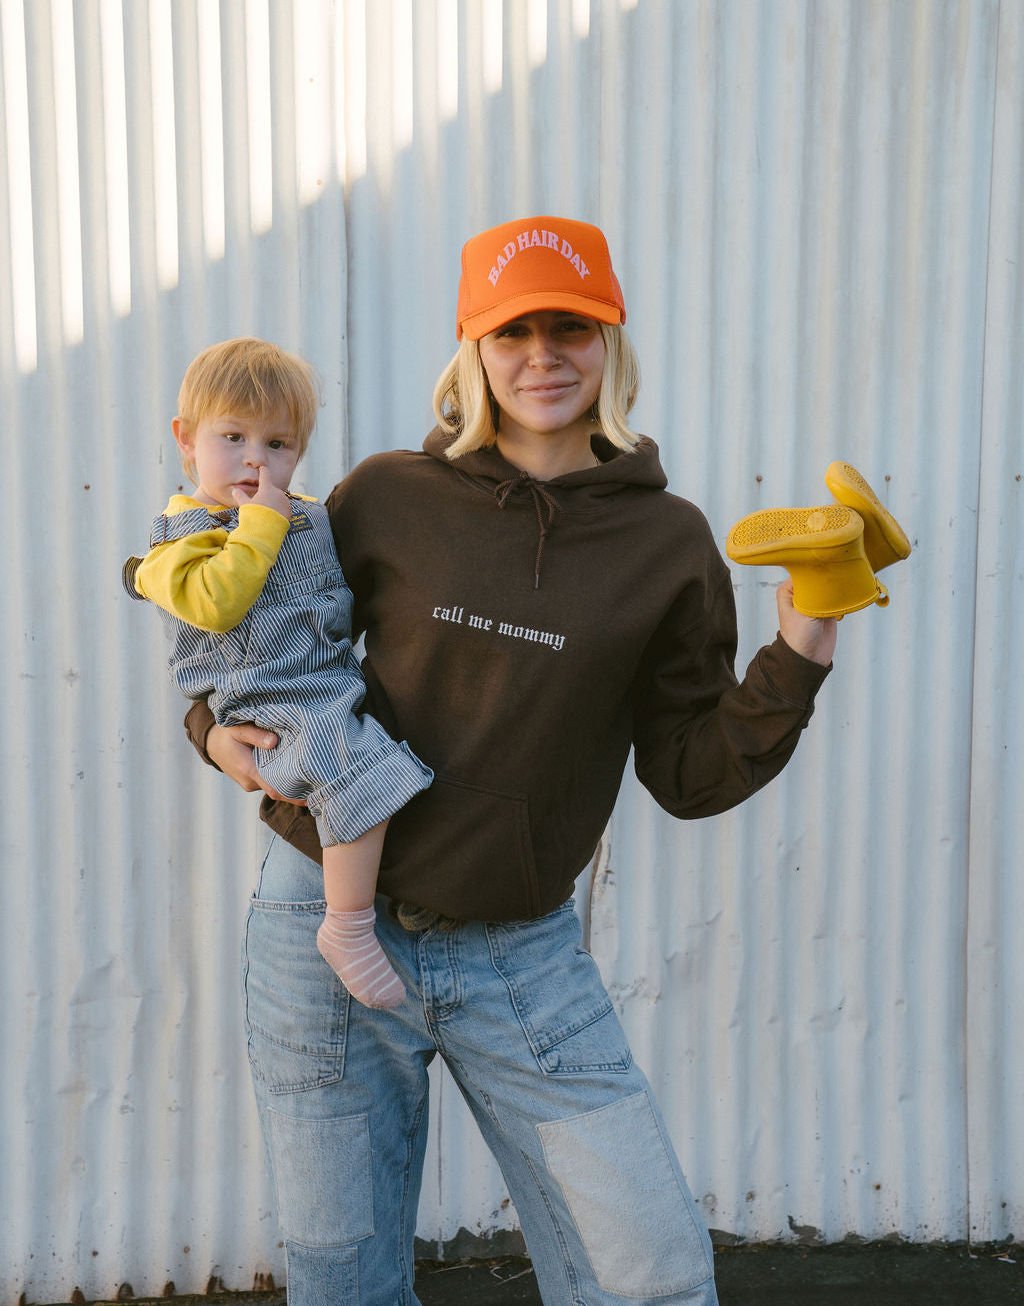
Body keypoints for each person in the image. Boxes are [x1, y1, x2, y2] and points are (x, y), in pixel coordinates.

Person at [183, 217, 838, 1306]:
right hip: (320, 922)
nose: (543, 354)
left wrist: (801, 648)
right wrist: (210, 734)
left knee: (651, 1273)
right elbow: (258, 635)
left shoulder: (668, 543)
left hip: (519, 958)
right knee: (342, 1277)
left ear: (609, 341)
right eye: (513, 330)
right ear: (473, 350)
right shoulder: (388, 495)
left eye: (570, 327)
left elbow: (690, 773)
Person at [126, 337, 432, 1007]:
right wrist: (260, 525)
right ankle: (346, 926)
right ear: (186, 440)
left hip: (324, 679)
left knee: (380, 759)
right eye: (232, 437)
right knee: (353, 764)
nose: (255, 459)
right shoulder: (180, 541)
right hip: (264, 696)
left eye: (279, 445)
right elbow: (215, 602)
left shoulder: (305, 514)